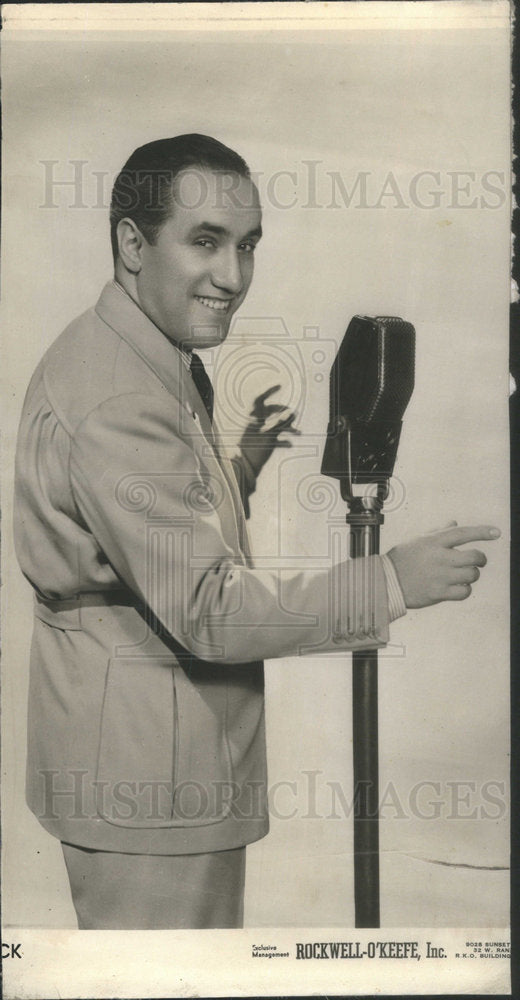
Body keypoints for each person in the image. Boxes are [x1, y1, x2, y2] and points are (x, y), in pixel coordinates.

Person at [14, 134, 500, 929]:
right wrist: (389, 582)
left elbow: (136, 533)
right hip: (150, 785)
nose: (233, 277)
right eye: (204, 242)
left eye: (247, 246)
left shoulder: (129, 354)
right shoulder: (118, 397)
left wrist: (234, 466)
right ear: (131, 245)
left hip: (139, 760)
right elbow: (207, 606)